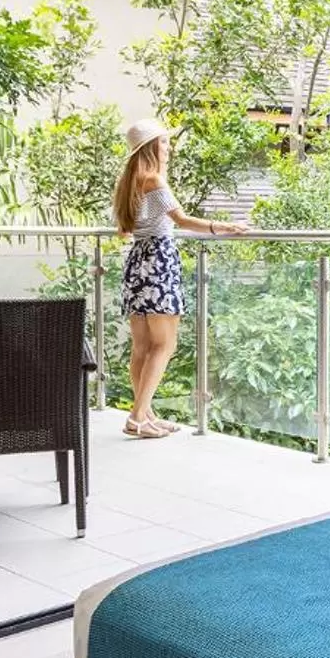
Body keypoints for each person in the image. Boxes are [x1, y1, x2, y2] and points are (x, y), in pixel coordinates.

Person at [111, 119, 245, 438]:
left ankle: (146, 415)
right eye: (165, 142)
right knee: (165, 344)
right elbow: (182, 220)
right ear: (151, 146)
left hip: (137, 263)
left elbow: (124, 231)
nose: (169, 148)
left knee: (142, 346)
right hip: (158, 262)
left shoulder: (128, 183)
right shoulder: (154, 180)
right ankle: (137, 416)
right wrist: (222, 226)